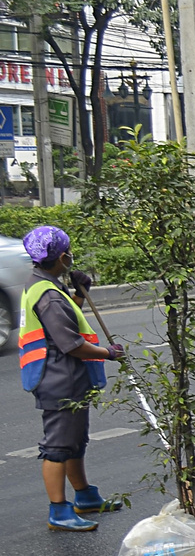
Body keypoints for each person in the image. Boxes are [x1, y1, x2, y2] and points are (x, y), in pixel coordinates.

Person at [18, 226, 126, 531]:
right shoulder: (49, 295)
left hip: (67, 376)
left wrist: (78, 293)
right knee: (57, 447)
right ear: (63, 257)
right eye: (69, 253)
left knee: (75, 441)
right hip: (58, 378)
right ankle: (59, 511)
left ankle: (84, 496)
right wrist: (108, 353)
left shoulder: (44, 284)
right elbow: (71, 344)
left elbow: (66, 320)